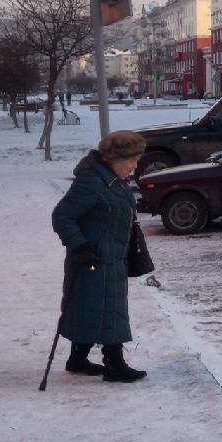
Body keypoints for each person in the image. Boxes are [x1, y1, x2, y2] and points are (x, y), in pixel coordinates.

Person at [51, 130, 149, 383]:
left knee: (90, 308)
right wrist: (80, 246)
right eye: (132, 159)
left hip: (112, 256)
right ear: (115, 159)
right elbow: (62, 216)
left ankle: (77, 360)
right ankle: (114, 364)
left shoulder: (113, 180)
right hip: (93, 258)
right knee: (109, 309)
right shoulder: (92, 182)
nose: (135, 165)